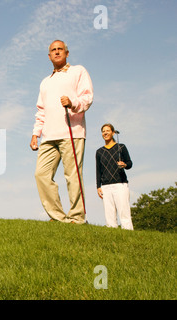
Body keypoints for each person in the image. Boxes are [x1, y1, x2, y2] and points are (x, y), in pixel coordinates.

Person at [30, 40, 93, 224]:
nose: (57, 52)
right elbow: (41, 110)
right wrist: (36, 133)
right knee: (41, 174)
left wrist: (72, 102)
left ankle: (77, 217)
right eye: (53, 50)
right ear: (49, 56)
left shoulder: (78, 71)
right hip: (49, 136)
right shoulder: (45, 82)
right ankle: (58, 217)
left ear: (67, 53)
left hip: (72, 132)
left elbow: (87, 97)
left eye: (60, 49)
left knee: (72, 175)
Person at [96, 124, 134, 230]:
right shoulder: (99, 152)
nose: (105, 133)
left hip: (120, 184)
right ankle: (113, 238)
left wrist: (124, 165)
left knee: (124, 212)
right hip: (106, 186)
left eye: (108, 130)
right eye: (103, 131)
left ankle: (129, 235)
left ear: (113, 133)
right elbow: (98, 170)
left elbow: (130, 163)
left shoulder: (121, 147)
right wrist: (98, 186)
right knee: (109, 215)